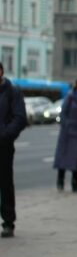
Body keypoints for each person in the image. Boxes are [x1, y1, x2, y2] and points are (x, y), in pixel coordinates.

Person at [0, 62, 28, 238]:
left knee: (5, 183)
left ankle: (8, 222)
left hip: (3, 145)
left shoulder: (12, 91)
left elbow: (20, 118)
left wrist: (5, 135)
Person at [54, 77, 77, 192]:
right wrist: (66, 125)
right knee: (63, 159)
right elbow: (63, 114)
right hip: (68, 133)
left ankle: (75, 184)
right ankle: (60, 182)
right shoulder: (70, 97)